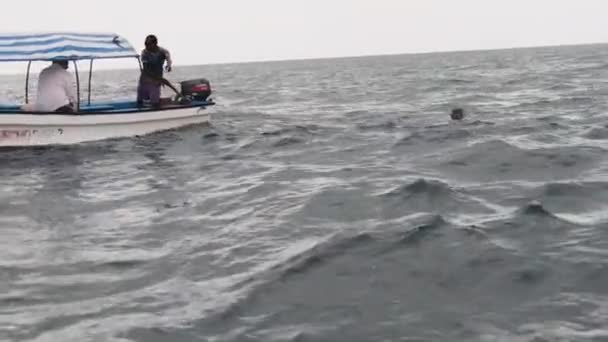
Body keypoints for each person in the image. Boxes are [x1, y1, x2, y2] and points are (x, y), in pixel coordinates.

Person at [137, 34, 173, 107]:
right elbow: (146, 68)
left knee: (154, 103)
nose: (146, 46)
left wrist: (168, 65)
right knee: (140, 101)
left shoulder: (163, 51)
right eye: (145, 44)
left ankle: (161, 106)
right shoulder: (144, 52)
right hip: (144, 80)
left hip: (155, 82)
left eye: (149, 44)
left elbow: (168, 59)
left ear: (155, 43)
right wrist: (161, 79)